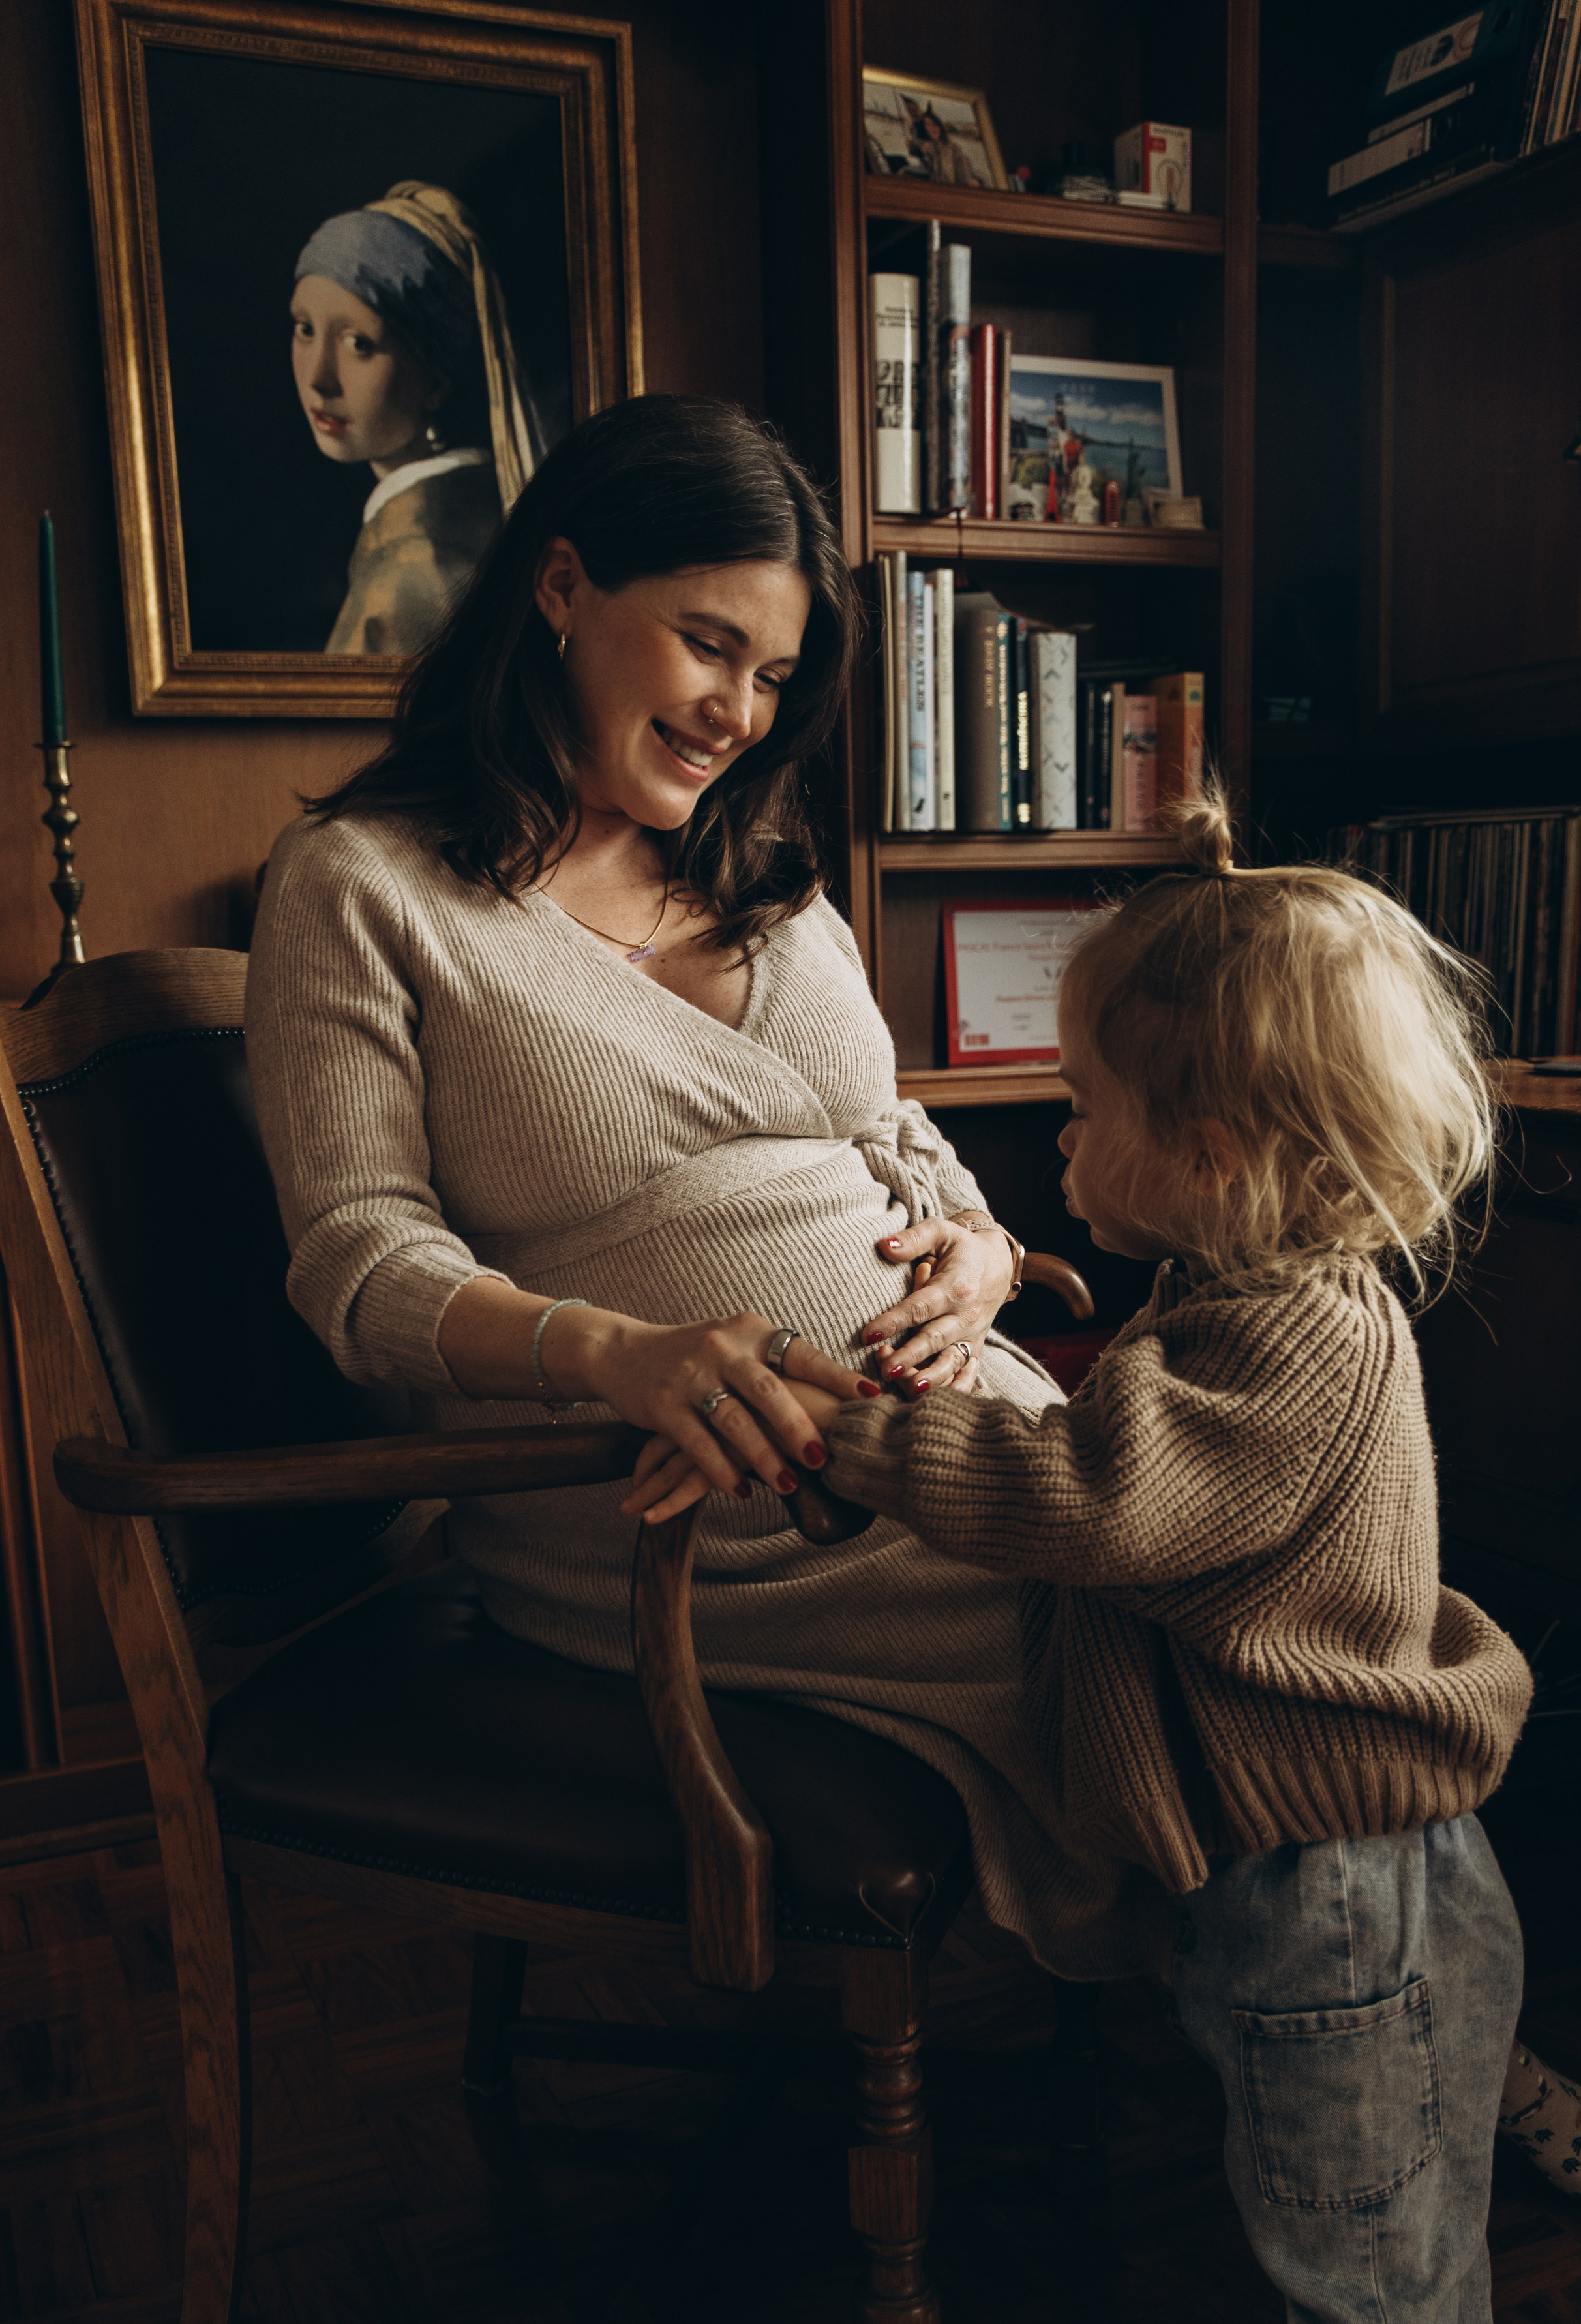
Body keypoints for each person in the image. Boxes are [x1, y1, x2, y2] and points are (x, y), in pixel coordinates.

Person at [629, 796, 1535, 2319]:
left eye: (1081, 1103)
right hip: (1289, 1875)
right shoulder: (1227, 1292)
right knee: (1331, 2193)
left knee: (1361, 2253)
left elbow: (1095, 1505)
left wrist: (844, 1437)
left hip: (1330, 1889)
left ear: (1205, 1152)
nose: (1058, 1134)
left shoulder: (1289, 1333)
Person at [245, 394, 1076, 1958]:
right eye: (707, 646)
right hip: (678, 1509)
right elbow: (354, 1261)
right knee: (1185, 1611)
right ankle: (1362, 2084)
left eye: (770, 677)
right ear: (561, 587)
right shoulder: (360, 884)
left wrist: (981, 1250)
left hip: (950, 1438)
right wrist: (617, 1354)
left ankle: (1357, 2050)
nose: (738, 713)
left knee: (1263, 1574)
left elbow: (885, 1131)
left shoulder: (764, 871)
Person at [290, 180, 545, 655]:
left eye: (358, 343)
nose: (319, 378)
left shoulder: (412, 569)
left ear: (435, 381)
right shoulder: (474, 509)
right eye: (305, 329)